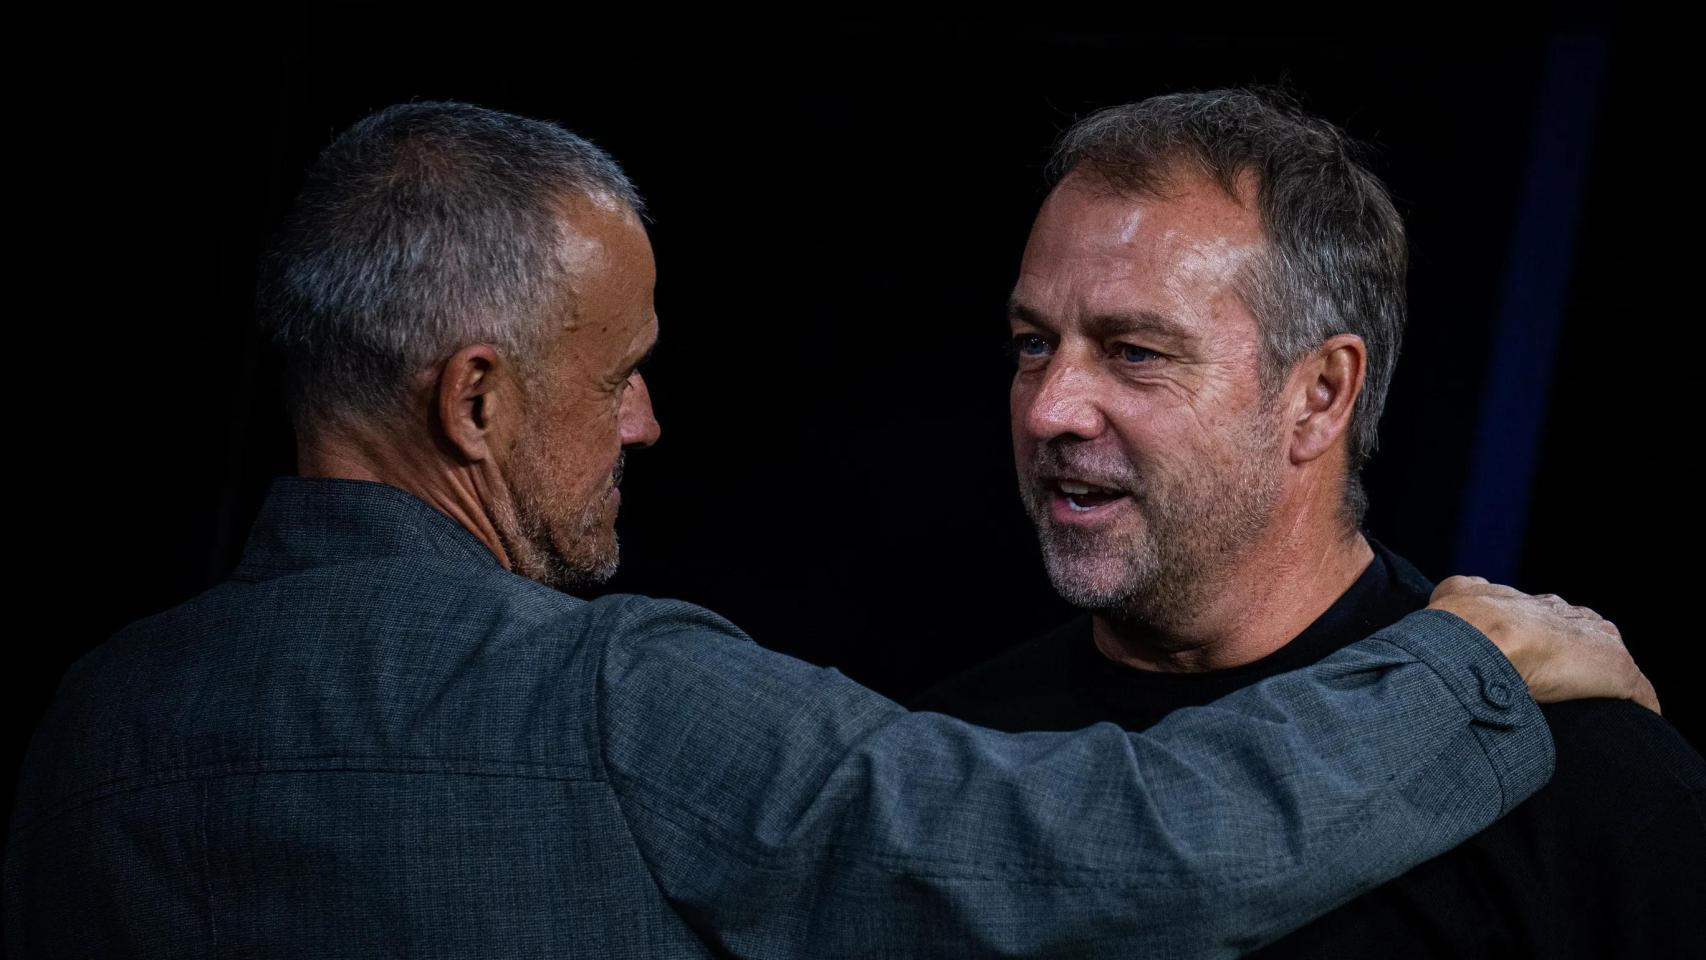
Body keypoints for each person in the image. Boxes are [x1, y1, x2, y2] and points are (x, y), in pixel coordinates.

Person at [2, 101, 1653, 959]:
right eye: (623, 376)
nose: (648, 422)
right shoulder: (626, 708)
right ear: (479, 403)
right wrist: (1464, 668)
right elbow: (1096, 856)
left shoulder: (91, 731)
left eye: (1132, 347)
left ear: (1324, 391)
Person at [916, 89, 1705, 957]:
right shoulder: (947, 762)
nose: (1048, 411)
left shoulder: (1584, 780)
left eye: (1135, 353)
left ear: (1320, 395)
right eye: (1034, 344)